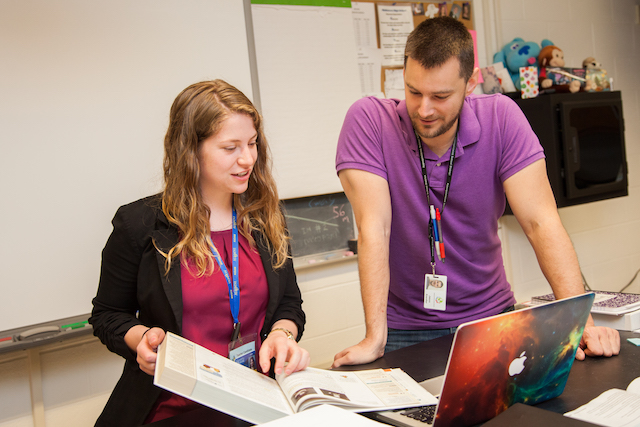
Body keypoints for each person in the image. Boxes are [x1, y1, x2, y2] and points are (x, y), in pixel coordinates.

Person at [332, 17, 620, 368]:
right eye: (413, 91)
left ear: (470, 82)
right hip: (404, 328)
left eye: (440, 96)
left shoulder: (501, 118)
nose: (423, 110)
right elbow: (374, 227)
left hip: (490, 318)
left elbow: (540, 222)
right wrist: (374, 337)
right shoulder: (369, 122)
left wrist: (581, 324)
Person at [90, 80, 310, 426]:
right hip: (173, 412)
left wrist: (283, 335)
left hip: (252, 405)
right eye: (230, 147)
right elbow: (108, 315)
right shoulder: (141, 225)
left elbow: (288, 304)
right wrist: (141, 340)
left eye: (252, 143)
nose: (248, 158)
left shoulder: (265, 216)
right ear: (190, 150)